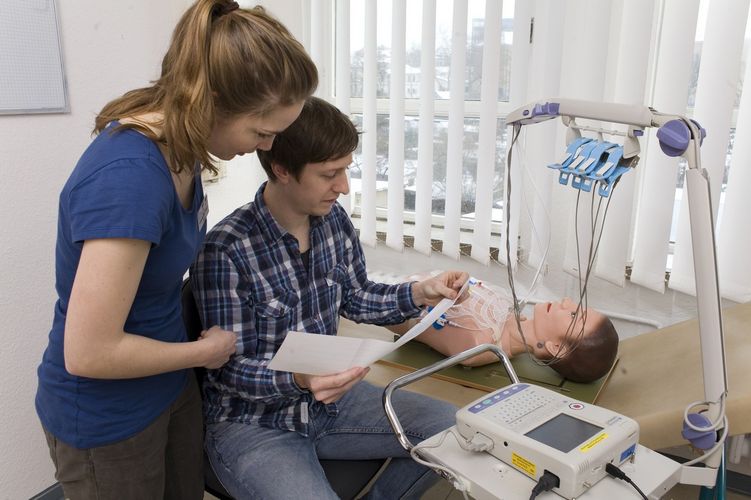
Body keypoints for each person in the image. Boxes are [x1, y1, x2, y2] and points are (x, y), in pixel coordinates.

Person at [34, 2, 318, 499]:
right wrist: (204, 351)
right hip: (108, 416)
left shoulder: (181, 152)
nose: (264, 148)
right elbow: (88, 351)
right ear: (210, 101)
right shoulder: (130, 176)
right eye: (261, 132)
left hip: (168, 386)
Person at [190, 96, 469, 499]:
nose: (343, 187)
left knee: (455, 431)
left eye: (345, 170)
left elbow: (356, 297)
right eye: (329, 174)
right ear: (283, 170)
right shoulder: (226, 250)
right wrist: (300, 378)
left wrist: (419, 293)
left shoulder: (332, 220)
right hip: (254, 425)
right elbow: (229, 372)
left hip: (332, 405)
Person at [389, 276, 619, 383]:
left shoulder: (478, 344)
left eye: (573, 315)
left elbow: (396, 316)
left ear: (556, 346)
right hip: (388, 292)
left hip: (385, 303)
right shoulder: (506, 308)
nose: (567, 300)